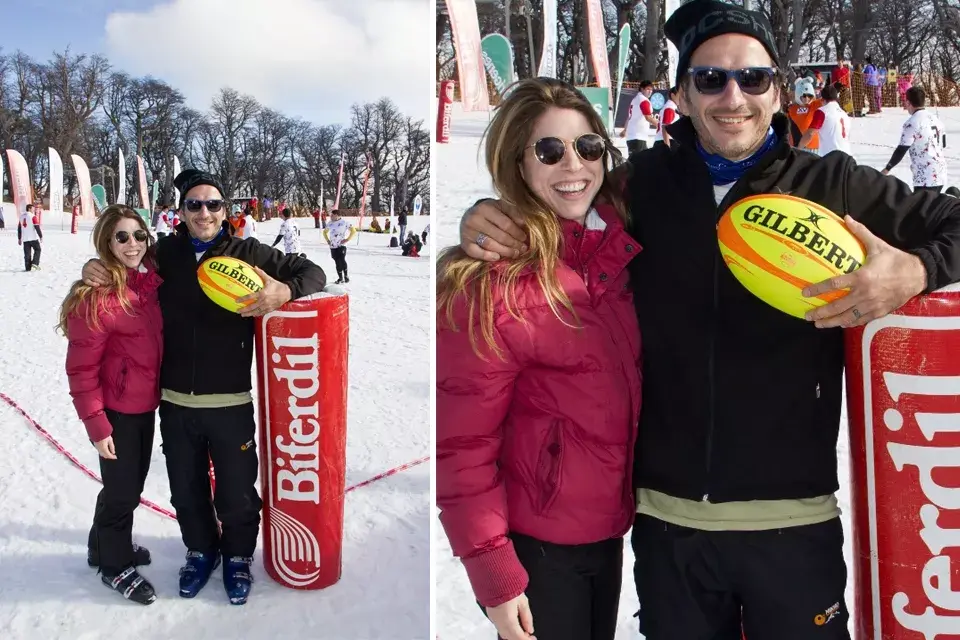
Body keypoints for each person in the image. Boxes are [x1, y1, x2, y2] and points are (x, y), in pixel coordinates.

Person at [456, 1, 960, 637]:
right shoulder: (637, 188)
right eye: (709, 79)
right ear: (681, 97)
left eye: (753, 79)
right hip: (670, 531)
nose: (734, 97)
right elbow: (556, 206)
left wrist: (915, 271)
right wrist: (485, 216)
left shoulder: (831, 185)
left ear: (778, 91)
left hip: (795, 524)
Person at [437, 77, 642, 640]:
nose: (572, 164)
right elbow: (459, 447)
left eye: (587, 147)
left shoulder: (614, 251)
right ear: (517, 165)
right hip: (539, 548)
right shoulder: (490, 282)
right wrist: (494, 576)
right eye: (549, 150)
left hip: (607, 532)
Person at [81, 169, 327, 605]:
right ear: (180, 213)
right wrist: (93, 266)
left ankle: (236, 557)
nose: (204, 212)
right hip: (174, 403)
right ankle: (200, 551)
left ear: (225, 210)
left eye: (213, 204)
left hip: (231, 400)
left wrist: (282, 292)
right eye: (194, 204)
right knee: (186, 489)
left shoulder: (248, 252)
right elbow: (124, 262)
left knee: (236, 492)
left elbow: (312, 271)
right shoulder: (164, 255)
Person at [60, 205, 163, 605]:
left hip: (144, 407)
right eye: (121, 237)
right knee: (122, 493)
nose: (132, 244)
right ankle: (114, 566)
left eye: (139, 235)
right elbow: (81, 371)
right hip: (116, 412)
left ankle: (100, 546)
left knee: (125, 486)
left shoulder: (148, 284)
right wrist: (98, 426)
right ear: (107, 242)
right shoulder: (96, 299)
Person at [882, 86, 948, 193]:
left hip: (925, 177)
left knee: (922, 208)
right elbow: (943, 144)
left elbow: (901, 149)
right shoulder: (936, 120)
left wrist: (887, 169)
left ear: (908, 102)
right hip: (941, 173)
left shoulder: (912, 123)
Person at [799, 84, 851, 156]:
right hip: (847, 156)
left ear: (822, 99)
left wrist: (799, 147)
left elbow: (810, 133)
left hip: (833, 157)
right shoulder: (844, 114)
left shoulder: (822, 111)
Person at [787, 77, 823, 151]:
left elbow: (828, 96)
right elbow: (789, 128)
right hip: (797, 147)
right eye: (804, 96)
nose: (807, 98)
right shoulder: (792, 109)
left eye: (809, 96)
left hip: (813, 146)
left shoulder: (815, 105)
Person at [622, 80, 657, 154]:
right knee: (641, 162)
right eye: (648, 89)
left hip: (632, 136)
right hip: (639, 137)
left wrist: (625, 130)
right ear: (642, 89)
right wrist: (660, 125)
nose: (650, 92)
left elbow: (629, 117)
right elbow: (648, 117)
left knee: (634, 162)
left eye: (651, 90)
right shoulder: (643, 101)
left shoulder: (635, 100)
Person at [324, 209, 355, 284]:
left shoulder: (344, 222)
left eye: (332, 215)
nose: (330, 217)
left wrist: (347, 239)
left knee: (342, 259)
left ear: (336, 215)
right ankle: (340, 278)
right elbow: (324, 232)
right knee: (337, 261)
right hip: (333, 245)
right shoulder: (330, 223)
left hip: (341, 245)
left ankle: (346, 276)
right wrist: (328, 240)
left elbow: (353, 231)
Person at [18, 203, 42, 272]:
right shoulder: (33, 216)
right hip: (33, 238)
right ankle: (34, 263)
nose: (33, 210)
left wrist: (19, 238)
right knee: (38, 249)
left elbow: (19, 228)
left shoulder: (21, 217)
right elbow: (37, 227)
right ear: (29, 209)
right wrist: (40, 236)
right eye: (32, 208)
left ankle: (27, 268)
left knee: (27, 254)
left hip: (25, 239)